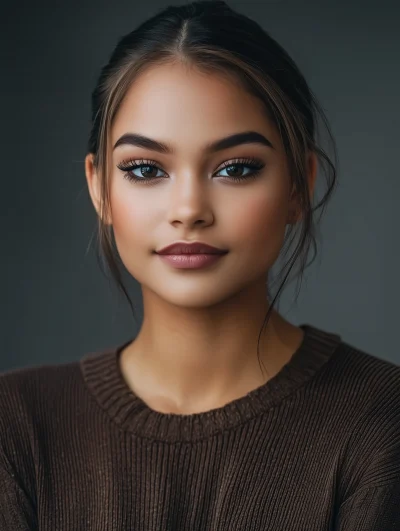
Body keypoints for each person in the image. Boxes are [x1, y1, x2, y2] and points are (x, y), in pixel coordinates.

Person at [1, 1, 399, 529]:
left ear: (299, 185)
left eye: (236, 168)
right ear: (99, 186)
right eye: (145, 169)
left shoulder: (381, 422)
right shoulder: (17, 424)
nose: (189, 209)